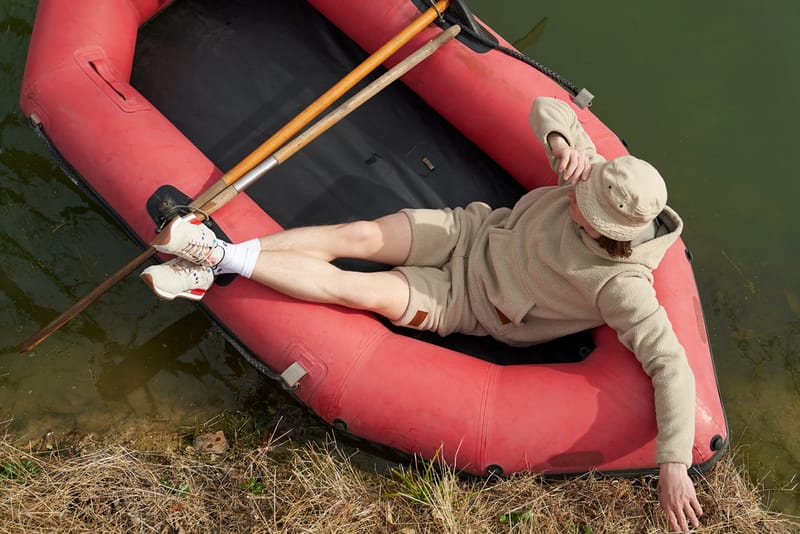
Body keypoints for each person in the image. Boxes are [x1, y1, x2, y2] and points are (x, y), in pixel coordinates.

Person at [140, 96, 702, 533]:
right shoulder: (591, 178)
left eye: (588, 206)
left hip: (465, 301)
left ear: (607, 230)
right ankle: (215, 261)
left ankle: (214, 256)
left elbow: (670, 362)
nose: (576, 192)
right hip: (470, 229)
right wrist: (560, 141)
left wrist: (673, 464)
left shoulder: (622, 285)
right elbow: (546, 108)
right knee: (354, 235)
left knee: (355, 288)